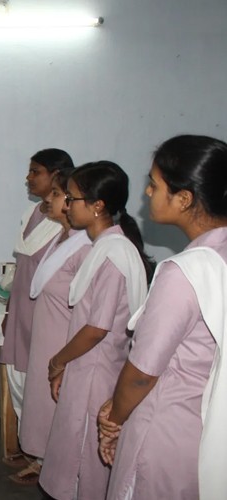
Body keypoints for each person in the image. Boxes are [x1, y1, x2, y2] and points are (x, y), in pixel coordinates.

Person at [97, 135, 227, 499]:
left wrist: (113, 419)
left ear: (184, 199)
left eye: (154, 185)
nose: (147, 194)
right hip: (211, 426)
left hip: (169, 428)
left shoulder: (185, 272)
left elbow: (142, 374)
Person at [39, 161, 154, 500]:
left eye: (71, 199)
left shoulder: (112, 255)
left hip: (96, 371)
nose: (65, 206)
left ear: (97, 205)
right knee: (71, 449)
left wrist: (57, 361)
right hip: (86, 366)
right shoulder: (103, 247)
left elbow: (96, 328)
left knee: (83, 459)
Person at [11, 168, 91, 485]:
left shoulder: (85, 247)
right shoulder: (62, 239)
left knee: (58, 404)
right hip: (48, 330)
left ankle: (60, 467)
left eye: (56, 195)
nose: (50, 200)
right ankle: (44, 459)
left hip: (63, 336)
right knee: (41, 401)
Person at [0, 148, 74, 468]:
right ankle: (32, 445)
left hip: (49, 315)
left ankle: (48, 457)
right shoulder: (29, 216)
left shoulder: (69, 225)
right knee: (19, 379)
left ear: (56, 176)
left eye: (35, 172)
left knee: (43, 386)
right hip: (21, 311)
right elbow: (22, 267)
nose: (28, 178)